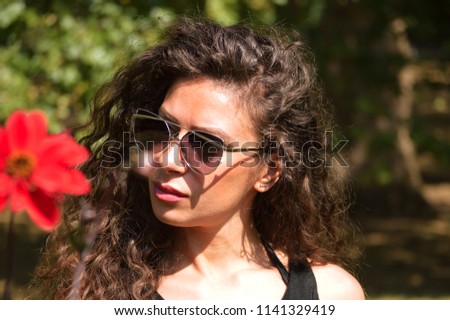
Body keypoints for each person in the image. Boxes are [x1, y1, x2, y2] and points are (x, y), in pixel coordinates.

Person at [33, 16, 364, 300]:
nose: (167, 159)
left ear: (268, 171)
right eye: (161, 130)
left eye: (206, 146)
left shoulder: (332, 295)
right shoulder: (96, 289)